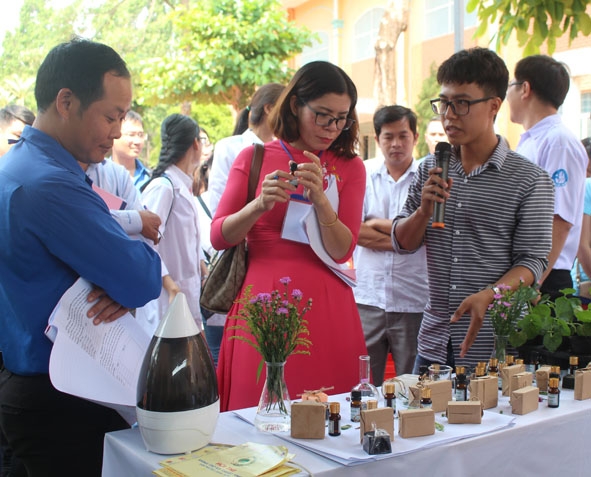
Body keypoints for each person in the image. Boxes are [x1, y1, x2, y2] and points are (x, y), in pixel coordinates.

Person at [0, 38, 161, 476]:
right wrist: (128, 270)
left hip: (31, 384)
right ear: (66, 101)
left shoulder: (18, 165)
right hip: (61, 398)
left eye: (123, 116)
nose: (117, 130)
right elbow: (142, 278)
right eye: (111, 116)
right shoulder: (51, 184)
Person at [212, 61, 367, 412]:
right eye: (323, 115)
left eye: (342, 118)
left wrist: (322, 203)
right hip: (263, 303)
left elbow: (343, 250)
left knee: (330, 415)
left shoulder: (349, 166)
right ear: (296, 105)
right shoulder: (254, 157)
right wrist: (258, 205)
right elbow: (219, 236)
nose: (332, 127)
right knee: (257, 414)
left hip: (328, 307)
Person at [390, 47, 554, 370]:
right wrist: (423, 211)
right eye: (444, 103)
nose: (449, 115)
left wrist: (490, 294)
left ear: (494, 106)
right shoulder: (430, 169)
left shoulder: (530, 180)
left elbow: (533, 261)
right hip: (434, 343)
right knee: (419, 420)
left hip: (495, 345)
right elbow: (402, 242)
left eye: (462, 103)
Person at [354, 105, 428, 384]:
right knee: (363, 387)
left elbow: (427, 235)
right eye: (388, 137)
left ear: (415, 137)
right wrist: (406, 240)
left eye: (403, 136)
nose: (396, 144)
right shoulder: (362, 174)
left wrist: (377, 224)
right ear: (377, 138)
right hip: (368, 297)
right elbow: (352, 231)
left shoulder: (427, 177)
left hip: (413, 299)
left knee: (413, 387)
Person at [506, 55, 588, 300]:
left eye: (510, 85)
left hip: (544, 279)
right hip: (525, 273)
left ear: (525, 88)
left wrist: (533, 282)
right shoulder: (532, 141)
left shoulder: (558, 142)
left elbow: (559, 220)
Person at [139, 114, 204, 336]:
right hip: (167, 301)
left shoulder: (182, 186)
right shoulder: (164, 187)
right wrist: (170, 285)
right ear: (196, 143)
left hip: (184, 299)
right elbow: (146, 242)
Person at [208, 83, 285, 215]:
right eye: (286, 109)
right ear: (269, 109)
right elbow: (217, 204)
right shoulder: (229, 148)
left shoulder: (283, 151)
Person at [111, 110, 151, 190]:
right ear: (114, 135)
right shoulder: (98, 175)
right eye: (131, 135)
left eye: (140, 135)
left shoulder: (150, 178)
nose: (137, 141)